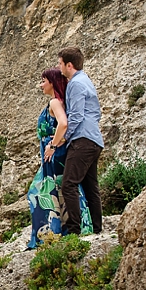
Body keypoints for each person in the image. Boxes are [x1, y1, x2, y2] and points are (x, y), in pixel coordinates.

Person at [26, 67, 92, 248]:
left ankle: (50, 234)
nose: (41, 85)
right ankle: (63, 229)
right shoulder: (60, 101)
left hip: (54, 154)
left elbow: (63, 123)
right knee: (59, 188)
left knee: (39, 192)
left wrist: (53, 145)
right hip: (55, 152)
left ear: (52, 82)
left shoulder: (55, 102)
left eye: (43, 81)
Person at [54, 46, 104, 235]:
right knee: (91, 187)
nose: (59, 68)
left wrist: (63, 138)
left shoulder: (75, 84)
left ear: (69, 65)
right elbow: (96, 113)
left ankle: (74, 231)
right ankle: (97, 230)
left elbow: (75, 116)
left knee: (69, 184)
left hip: (82, 140)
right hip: (94, 139)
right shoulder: (86, 81)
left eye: (60, 64)